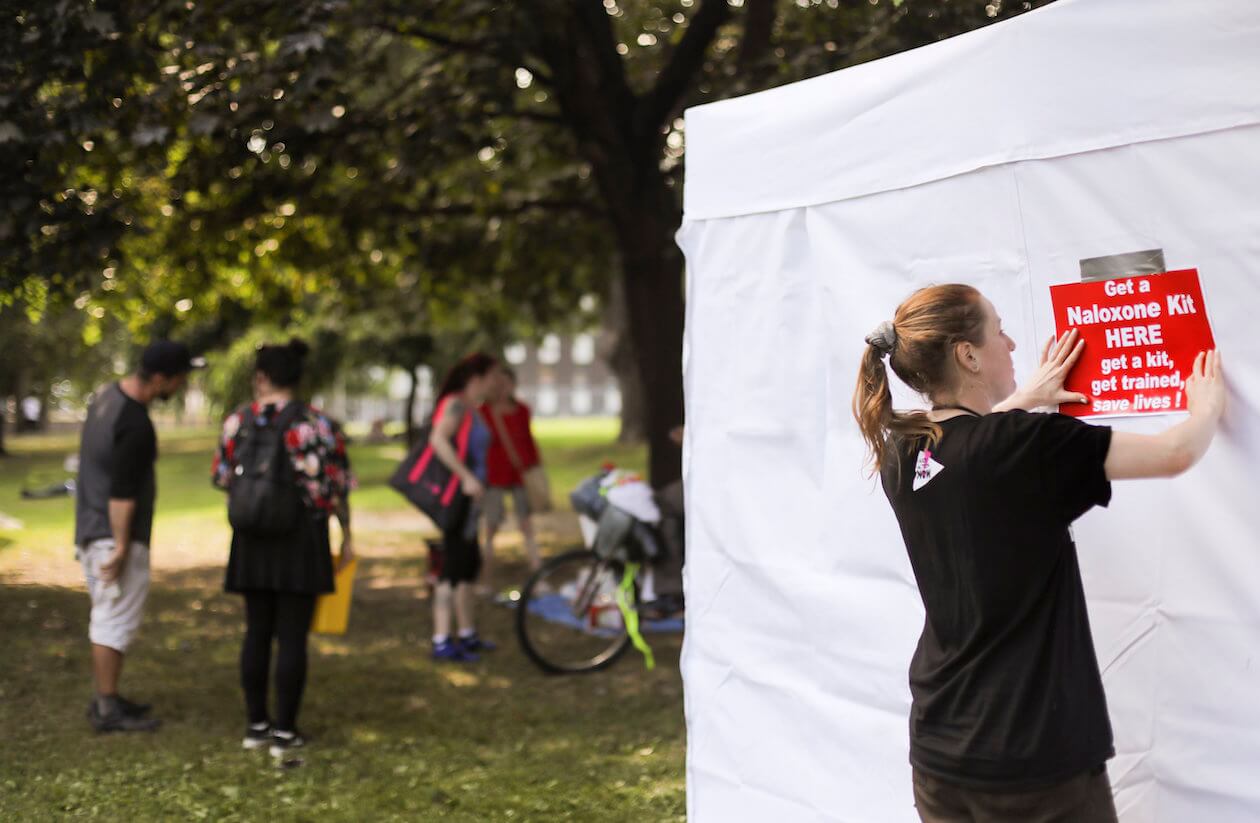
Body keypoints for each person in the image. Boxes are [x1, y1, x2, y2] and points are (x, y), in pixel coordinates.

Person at [851, 284, 1226, 823]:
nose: (1011, 342)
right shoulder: (1026, 445)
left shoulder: (904, 452)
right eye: (998, 328)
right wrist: (1207, 408)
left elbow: (969, 451)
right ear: (968, 354)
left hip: (939, 751)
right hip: (1033, 762)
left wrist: (1021, 400)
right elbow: (1175, 453)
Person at [212, 339, 354, 760]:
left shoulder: (237, 421)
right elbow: (334, 490)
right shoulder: (319, 425)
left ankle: (256, 726)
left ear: (261, 378)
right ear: (298, 378)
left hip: (251, 538)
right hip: (302, 537)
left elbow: (225, 480)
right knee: (292, 636)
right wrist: (347, 536)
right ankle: (285, 732)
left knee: (256, 630)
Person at [75, 340, 202, 732]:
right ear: (160, 379)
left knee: (109, 615)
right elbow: (122, 493)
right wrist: (121, 547)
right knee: (112, 619)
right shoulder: (135, 424)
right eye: (179, 380)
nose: (180, 387)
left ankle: (109, 698)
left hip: (90, 528)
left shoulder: (105, 399)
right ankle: (106, 709)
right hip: (110, 535)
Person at [427, 352, 498, 662]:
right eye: (493, 375)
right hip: (456, 498)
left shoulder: (473, 408)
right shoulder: (456, 404)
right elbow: (438, 439)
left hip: (471, 502)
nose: (497, 381)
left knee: (468, 567)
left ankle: (467, 634)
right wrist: (466, 477)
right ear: (477, 378)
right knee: (451, 569)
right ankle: (442, 639)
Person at [479, 366, 543, 592]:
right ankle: (486, 578)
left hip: (520, 473)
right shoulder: (484, 411)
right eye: (500, 384)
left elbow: (528, 440)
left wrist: (535, 467)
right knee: (491, 525)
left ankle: (538, 576)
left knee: (526, 524)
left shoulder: (522, 410)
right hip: (494, 474)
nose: (503, 389)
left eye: (507, 384)